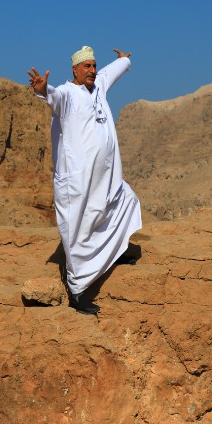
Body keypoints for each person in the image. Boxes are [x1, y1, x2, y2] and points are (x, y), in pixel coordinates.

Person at [28, 46, 142, 315]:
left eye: (93, 65)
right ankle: (77, 290)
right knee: (78, 228)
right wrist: (42, 88)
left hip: (105, 176)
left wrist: (123, 60)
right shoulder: (67, 94)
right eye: (86, 67)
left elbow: (110, 73)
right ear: (75, 70)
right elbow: (51, 96)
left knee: (122, 201)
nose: (92, 70)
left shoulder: (97, 86)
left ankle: (115, 249)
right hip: (78, 179)